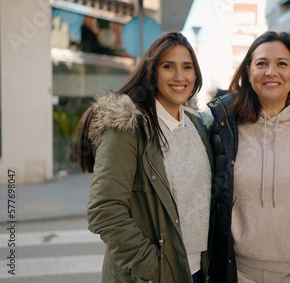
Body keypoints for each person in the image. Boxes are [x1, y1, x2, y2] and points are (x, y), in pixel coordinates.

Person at [72, 31, 212, 283]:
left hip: (198, 271)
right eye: (168, 66)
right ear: (152, 72)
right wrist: (155, 269)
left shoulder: (197, 126)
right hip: (150, 277)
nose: (180, 76)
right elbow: (104, 210)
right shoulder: (129, 128)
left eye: (187, 67)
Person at [208, 31, 290, 283]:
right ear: (248, 71)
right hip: (237, 273)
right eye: (261, 63)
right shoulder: (223, 125)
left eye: (282, 64)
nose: (271, 72)